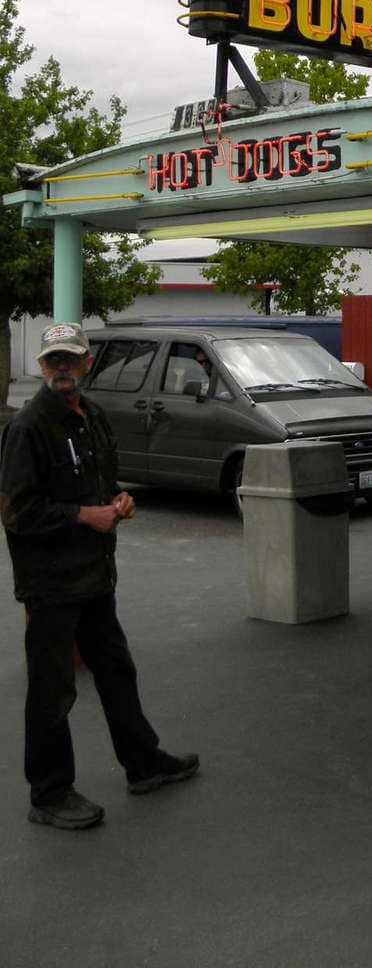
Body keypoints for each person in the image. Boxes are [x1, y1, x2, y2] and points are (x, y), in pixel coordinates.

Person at [0, 322, 199, 831]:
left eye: (70, 359)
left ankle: (143, 762)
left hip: (92, 577)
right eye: (52, 361)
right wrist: (83, 516)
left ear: (87, 362)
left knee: (115, 669)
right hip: (49, 584)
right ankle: (49, 794)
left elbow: (104, 483)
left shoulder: (92, 419)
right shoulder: (27, 428)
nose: (61, 369)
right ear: (41, 366)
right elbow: (17, 512)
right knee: (52, 690)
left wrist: (118, 501)